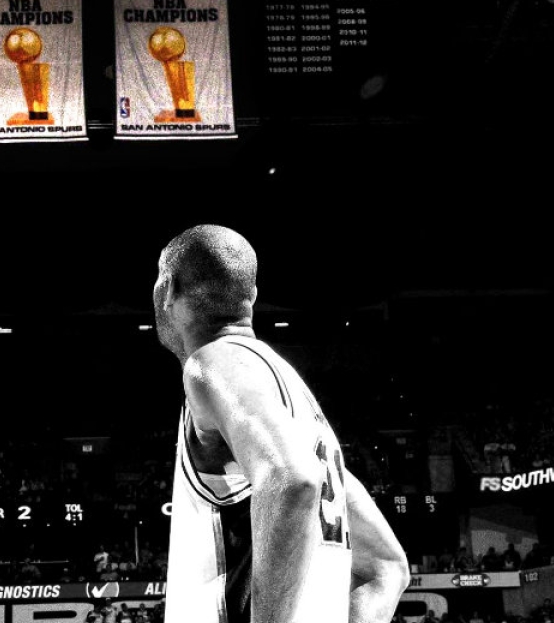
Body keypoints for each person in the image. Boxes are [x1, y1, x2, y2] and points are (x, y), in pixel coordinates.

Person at [151, 225, 410, 623]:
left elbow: (292, 479)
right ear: (252, 296)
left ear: (167, 288)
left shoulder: (214, 362)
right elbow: (386, 567)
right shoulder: (291, 399)